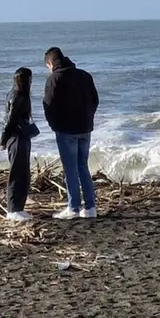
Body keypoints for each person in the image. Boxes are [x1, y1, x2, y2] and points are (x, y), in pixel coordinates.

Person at [42, 47, 99, 220]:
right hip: (85, 127)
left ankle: (73, 207)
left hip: (66, 129)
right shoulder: (84, 75)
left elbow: (48, 106)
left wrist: (54, 125)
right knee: (83, 166)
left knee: (70, 169)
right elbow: (95, 100)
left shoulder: (54, 79)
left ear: (50, 63)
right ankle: (90, 207)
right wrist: (88, 117)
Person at [0, 67, 38, 222]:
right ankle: (13, 210)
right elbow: (10, 121)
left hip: (19, 137)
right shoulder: (18, 97)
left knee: (22, 172)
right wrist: (3, 140)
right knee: (17, 173)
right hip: (17, 137)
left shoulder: (15, 94)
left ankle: (18, 208)